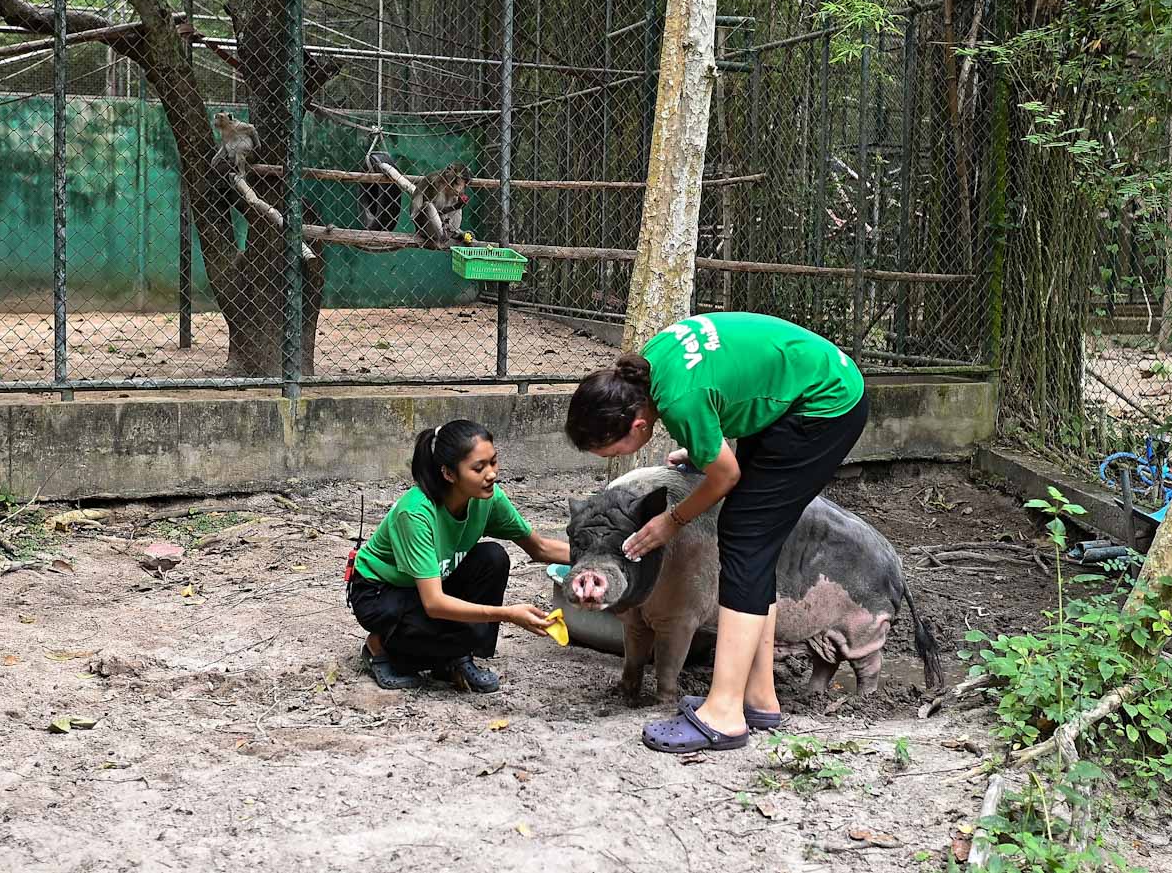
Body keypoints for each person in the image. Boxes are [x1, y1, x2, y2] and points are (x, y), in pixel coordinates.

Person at [564, 312, 866, 753]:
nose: (606, 458)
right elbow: (729, 384)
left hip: (823, 406)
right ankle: (759, 697)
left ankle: (724, 714)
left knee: (744, 538)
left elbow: (724, 477)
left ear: (636, 427)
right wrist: (706, 446)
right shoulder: (648, 368)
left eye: (607, 450)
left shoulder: (679, 401)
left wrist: (673, 519)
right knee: (751, 540)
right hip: (799, 388)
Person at [348, 419, 570, 692]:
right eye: (478, 468)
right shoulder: (416, 513)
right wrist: (508, 615)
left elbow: (541, 548)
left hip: (431, 583)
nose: (491, 474)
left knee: (492, 557)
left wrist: (609, 558)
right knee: (459, 627)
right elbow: (434, 603)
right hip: (381, 592)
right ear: (449, 474)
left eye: (493, 462)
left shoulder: (488, 498)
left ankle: (454, 655)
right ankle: (380, 646)